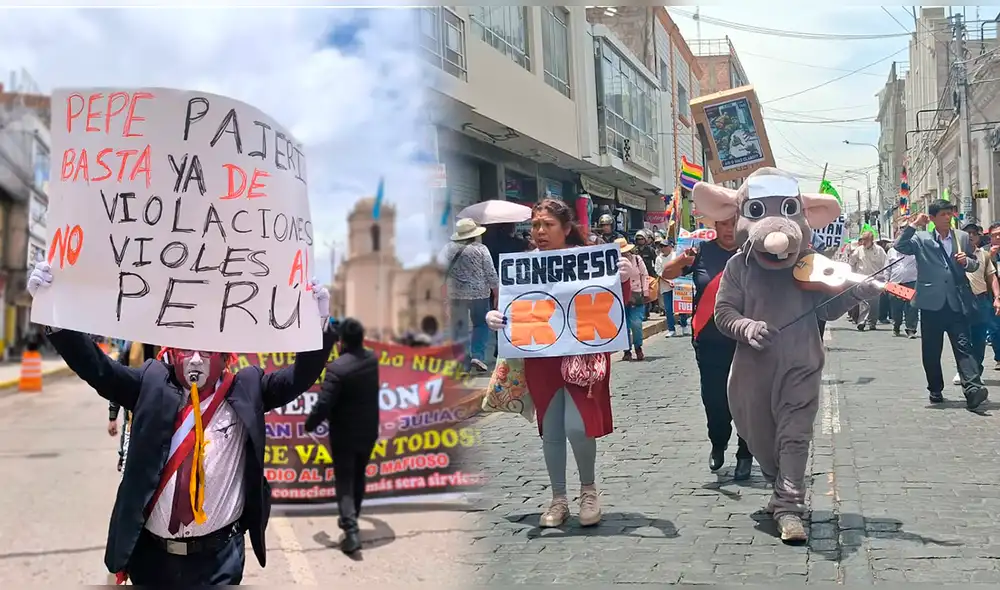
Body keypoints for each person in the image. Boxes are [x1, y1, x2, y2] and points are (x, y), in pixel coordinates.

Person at [26, 260, 337, 585]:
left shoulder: (247, 388)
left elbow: (300, 376)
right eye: (186, 349)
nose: (197, 359)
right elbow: (97, 368)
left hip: (219, 561)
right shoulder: (150, 382)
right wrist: (55, 316)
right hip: (152, 559)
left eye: (207, 350)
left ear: (226, 355)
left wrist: (318, 324)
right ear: (171, 354)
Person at [485, 198, 631, 529]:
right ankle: (558, 498)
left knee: (578, 426)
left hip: (582, 355)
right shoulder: (521, 266)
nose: (539, 231)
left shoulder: (592, 259)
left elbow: (613, 302)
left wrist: (622, 277)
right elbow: (511, 308)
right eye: (535, 225)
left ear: (566, 229)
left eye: (547, 225)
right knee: (550, 428)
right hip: (542, 357)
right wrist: (496, 318)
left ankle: (588, 490)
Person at [658, 215, 752, 480]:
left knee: (746, 399)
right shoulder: (701, 252)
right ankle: (718, 441)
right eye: (724, 223)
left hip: (745, 341)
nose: (729, 229)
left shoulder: (753, 254)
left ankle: (746, 452)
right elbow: (667, 275)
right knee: (715, 400)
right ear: (715, 226)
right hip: (709, 340)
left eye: (734, 224)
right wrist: (681, 261)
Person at [893, 201, 988, 409]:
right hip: (931, 304)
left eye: (950, 214)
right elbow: (899, 246)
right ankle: (935, 388)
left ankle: (972, 388)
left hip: (956, 302)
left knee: (963, 346)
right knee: (931, 349)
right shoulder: (921, 238)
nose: (948, 217)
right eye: (943, 214)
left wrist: (966, 262)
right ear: (933, 218)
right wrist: (913, 225)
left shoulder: (961, 237)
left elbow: (975, 264)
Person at [305, 318, 379, 556]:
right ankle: (352, 519)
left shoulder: (337, 369)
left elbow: (325, 403)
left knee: (345, 481)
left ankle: (351, 530)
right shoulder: (371, 360)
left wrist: (310, 424)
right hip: (368, 431)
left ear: (342, 342)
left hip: (344, 435)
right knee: (358, 477)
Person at [443, 218, 499, 374]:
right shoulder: (481, 249)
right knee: (480, 324)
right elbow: (490, 273)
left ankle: (462, 362)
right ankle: (478, 356)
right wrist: (496, 293)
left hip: (456, 294)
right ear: (474, 234)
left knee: (458, 328)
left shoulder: (448, 249)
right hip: (479, 294)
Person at [953, 227, 1000, 385]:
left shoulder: (984, 255)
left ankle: (976, 370)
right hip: (961, 301)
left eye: (974, 234)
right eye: (968, 234)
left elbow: (992, 277)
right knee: (963, 338)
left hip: (981, 301)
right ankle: (964, 371)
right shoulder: (955, 255)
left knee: (979, 339)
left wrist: (997, 298)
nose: (971, 236)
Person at [109, 341, 158, 472]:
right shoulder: (130, 346)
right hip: (133, 418)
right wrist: (112, 417)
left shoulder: (167, 348)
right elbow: (117, 382)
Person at [848, 231, 888, 331]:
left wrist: (885, 280)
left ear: (871, 240)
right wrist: (853, 275)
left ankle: (872, 322)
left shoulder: (879, 250)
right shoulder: (859, 250)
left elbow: (886, 265)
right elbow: (851, 262)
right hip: (863, 279)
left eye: (866, 240)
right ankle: (862, 321)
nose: (864, 242)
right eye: (863, 240)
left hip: (876, 279)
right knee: (863, 301)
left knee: (874, 302)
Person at [618, 238, 649, 361]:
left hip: (636, 295)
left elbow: (644, 275)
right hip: (620, 296)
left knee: (636, 323)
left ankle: (638, 346)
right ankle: (626, 350)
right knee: (623, 325)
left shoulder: (637, 259)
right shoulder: (612, 262)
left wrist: (645, 291)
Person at [886, 239, 919, 338]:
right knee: (896, 308)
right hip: (896, 283)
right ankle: (896, 325)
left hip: (911, 282)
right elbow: (887, 268)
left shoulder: (914, 250)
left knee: (912, 307)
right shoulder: (891, 251)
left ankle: (911, 329)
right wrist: (885, 282)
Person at [654, 240, 680, 337]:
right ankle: (671, 329)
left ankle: (684, 323)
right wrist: (669, 281)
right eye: (661, 247)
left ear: (670, 246)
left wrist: (676, 280)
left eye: (665, 246)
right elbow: (659, 272)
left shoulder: (675, 255)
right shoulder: (658, 259)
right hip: (665, 286)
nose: (663, 248)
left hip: (678, 285)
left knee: (681, 307)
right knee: (668, 309)